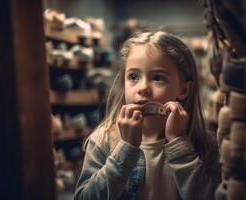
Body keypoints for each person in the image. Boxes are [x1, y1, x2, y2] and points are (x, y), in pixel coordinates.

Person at [74, 31, 221, 200]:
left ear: (184, 90)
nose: (143, 87)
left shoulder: (204, 144)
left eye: (158, 78)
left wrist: (178, 143)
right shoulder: (104, 139)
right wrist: (126, 148)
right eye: (134, 77)